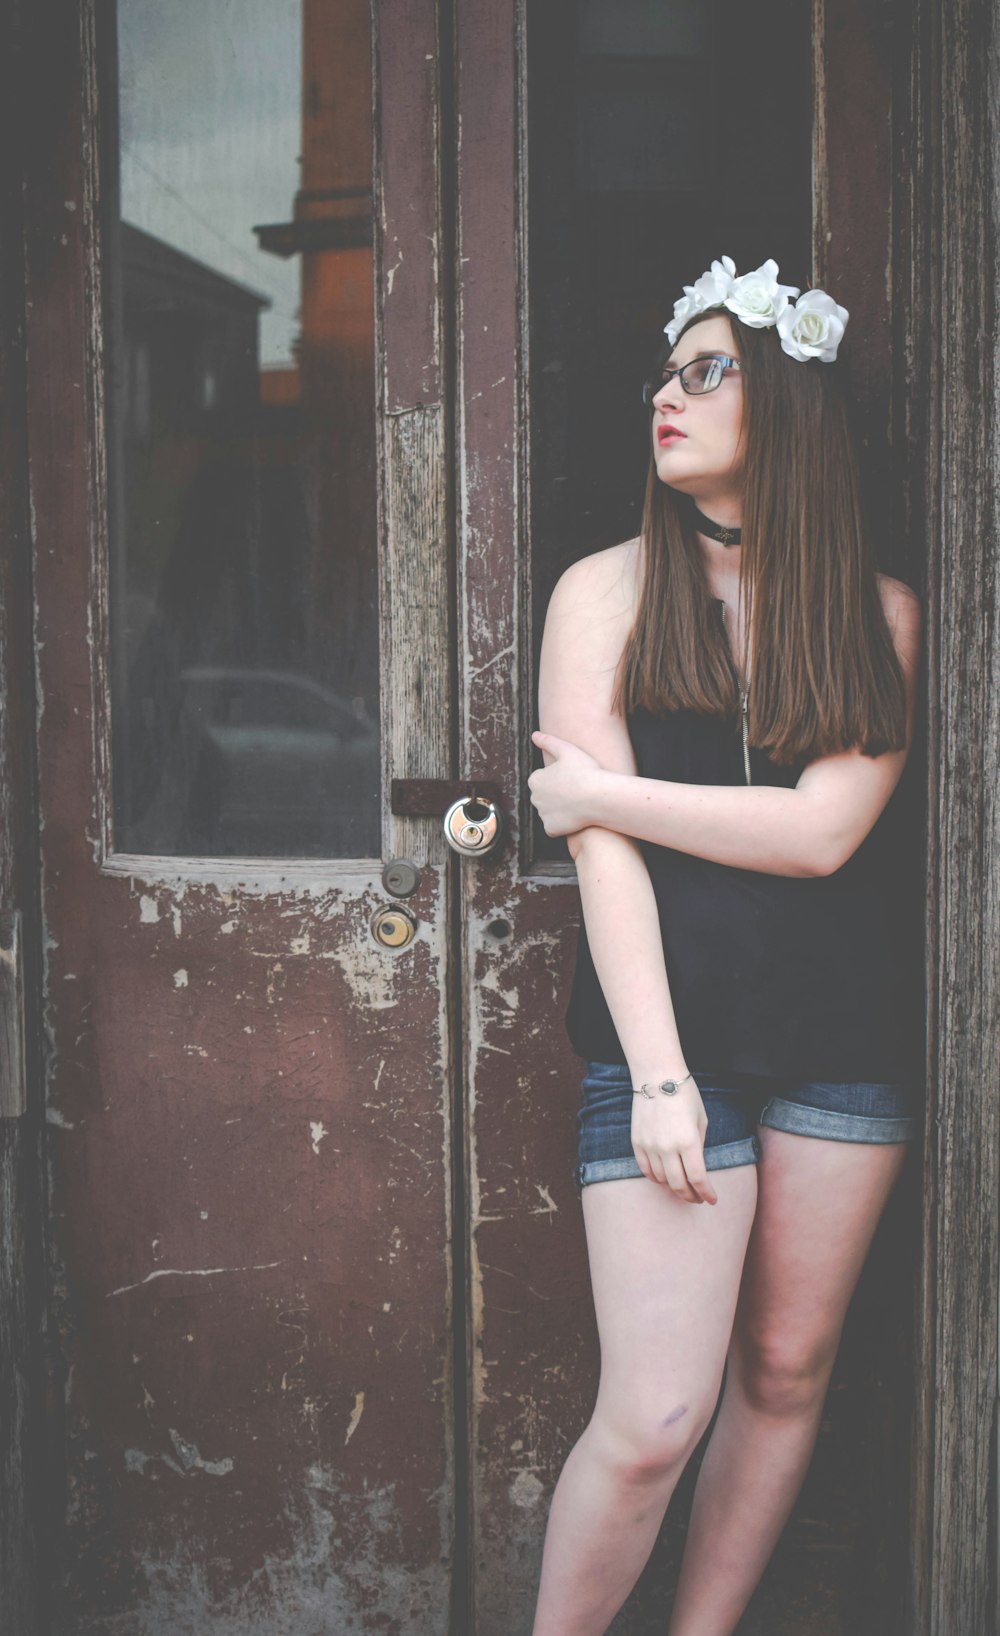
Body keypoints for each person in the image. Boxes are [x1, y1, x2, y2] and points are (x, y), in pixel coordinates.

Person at [525, 255, 922, 1636]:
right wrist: (655, 1073)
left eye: (708, 370)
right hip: (666, 1049)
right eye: (664, 371)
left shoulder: (881, 616)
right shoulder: (604, 595)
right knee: (651, 1416)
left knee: (788, 1368)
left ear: (792, 403)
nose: (667, 395)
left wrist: (598, 792)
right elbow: (607, 866)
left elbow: (823, 836)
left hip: (843, 1048)